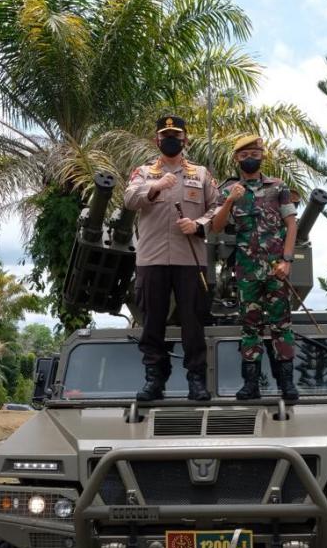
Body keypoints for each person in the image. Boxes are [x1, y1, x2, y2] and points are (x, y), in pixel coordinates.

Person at [124, 115, 219, 402]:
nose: (171, 139)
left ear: (185, 140)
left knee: (193, 322)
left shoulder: (200, 174)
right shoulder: (143, 172)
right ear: (157, 140)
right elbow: (129, 200)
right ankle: (155, 379)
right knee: (152, 321)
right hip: (151, 259)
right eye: (165, 135)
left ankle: (196, 381)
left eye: (176, 135)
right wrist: (155, 187)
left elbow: (218, 209)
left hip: (190, 259)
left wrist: (199, 224)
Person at [211, 134, 299, 401]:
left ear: (262, 156)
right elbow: (215, 226)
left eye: (254, 154)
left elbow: (291, 225)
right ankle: (251, 385)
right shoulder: (228, 191)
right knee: (250, 327)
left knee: (281, 325)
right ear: (237, 159)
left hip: (275, 269)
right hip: (246, 270)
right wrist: (229, 201)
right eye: (244, 155)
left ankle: (287, 384)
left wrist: (287, 261)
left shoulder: (278, 187)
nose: (249, 158)